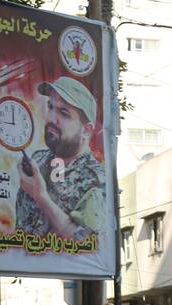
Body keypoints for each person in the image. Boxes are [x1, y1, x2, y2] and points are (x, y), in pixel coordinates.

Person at [15, 77, 106, 242]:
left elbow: (88, 245)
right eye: (50, 107)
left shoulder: (97, 180)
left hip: (64, 268)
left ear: (86, 130)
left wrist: (41, 197)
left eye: (64, 113)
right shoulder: (38, 159)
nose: (51, 119)